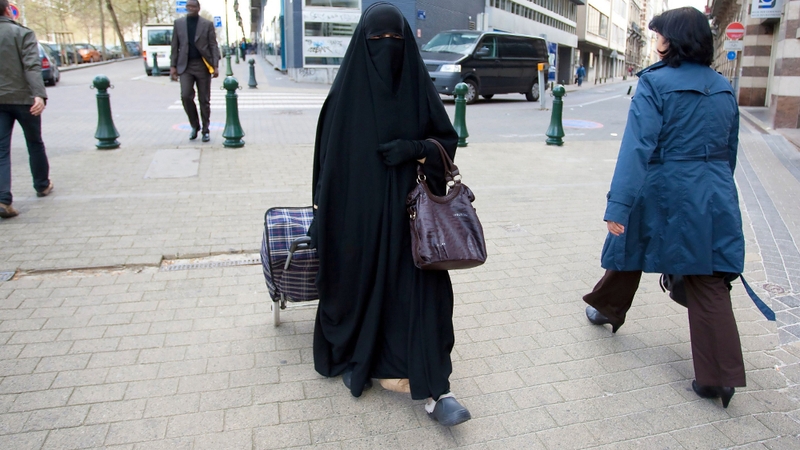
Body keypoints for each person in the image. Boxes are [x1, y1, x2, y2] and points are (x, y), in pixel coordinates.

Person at [308, 2, 471, 427]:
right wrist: (320, 218)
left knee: (426, 298)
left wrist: (414, 148)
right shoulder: (343, 100)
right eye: (377, 41)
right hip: (357, 224)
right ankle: (363, 357)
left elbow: (445, 142)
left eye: (395, 41)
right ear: (363, 44)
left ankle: (437, 389)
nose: (387, 49)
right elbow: (326, 169)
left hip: (411, 223)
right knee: (359, 292)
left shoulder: (417, 88)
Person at [582, 7, 745, 409]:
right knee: (706, 272)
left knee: (628, 243)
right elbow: (731, 151)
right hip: (713, 191)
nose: (655, 43)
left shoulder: (654, 84)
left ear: (672, 41)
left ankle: (608, 306)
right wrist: (717, 192)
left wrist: (618, 205)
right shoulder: (724, 88)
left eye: (659, 36)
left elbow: (636, 148)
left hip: (662, 186)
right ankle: (718, 378)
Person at [0, 0, 53, 219]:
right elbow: (32, 65)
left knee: (1, 149)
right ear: (7, 10)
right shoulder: (21, 33)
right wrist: (38, 95)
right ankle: (41, 184)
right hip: (24, 99)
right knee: (34, 141)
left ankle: (3, 198)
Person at [170, 0, 220, 143]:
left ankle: (205, 129)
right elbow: (175, 46)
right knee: (185, 95)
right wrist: (173, 66)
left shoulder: (207, 24)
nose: (190, 9)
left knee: (204, 100)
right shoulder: (178, 24)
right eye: (188, 7)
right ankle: (194, 125)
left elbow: (213, 45)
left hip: (203, 65)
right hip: (185, 66)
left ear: (198, 8)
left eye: (193, 6)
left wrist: (215, 65)